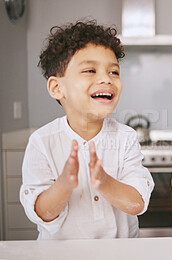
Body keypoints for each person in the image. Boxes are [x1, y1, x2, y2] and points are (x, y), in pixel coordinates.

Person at [20, 20, 154, 240]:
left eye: (114, 72)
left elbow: (137, 203)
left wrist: (104, 181)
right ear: (57, 88)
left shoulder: (125, 137)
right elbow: (42, 212)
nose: (106, 79)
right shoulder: (42, 141)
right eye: (90, 70)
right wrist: (63, 185)